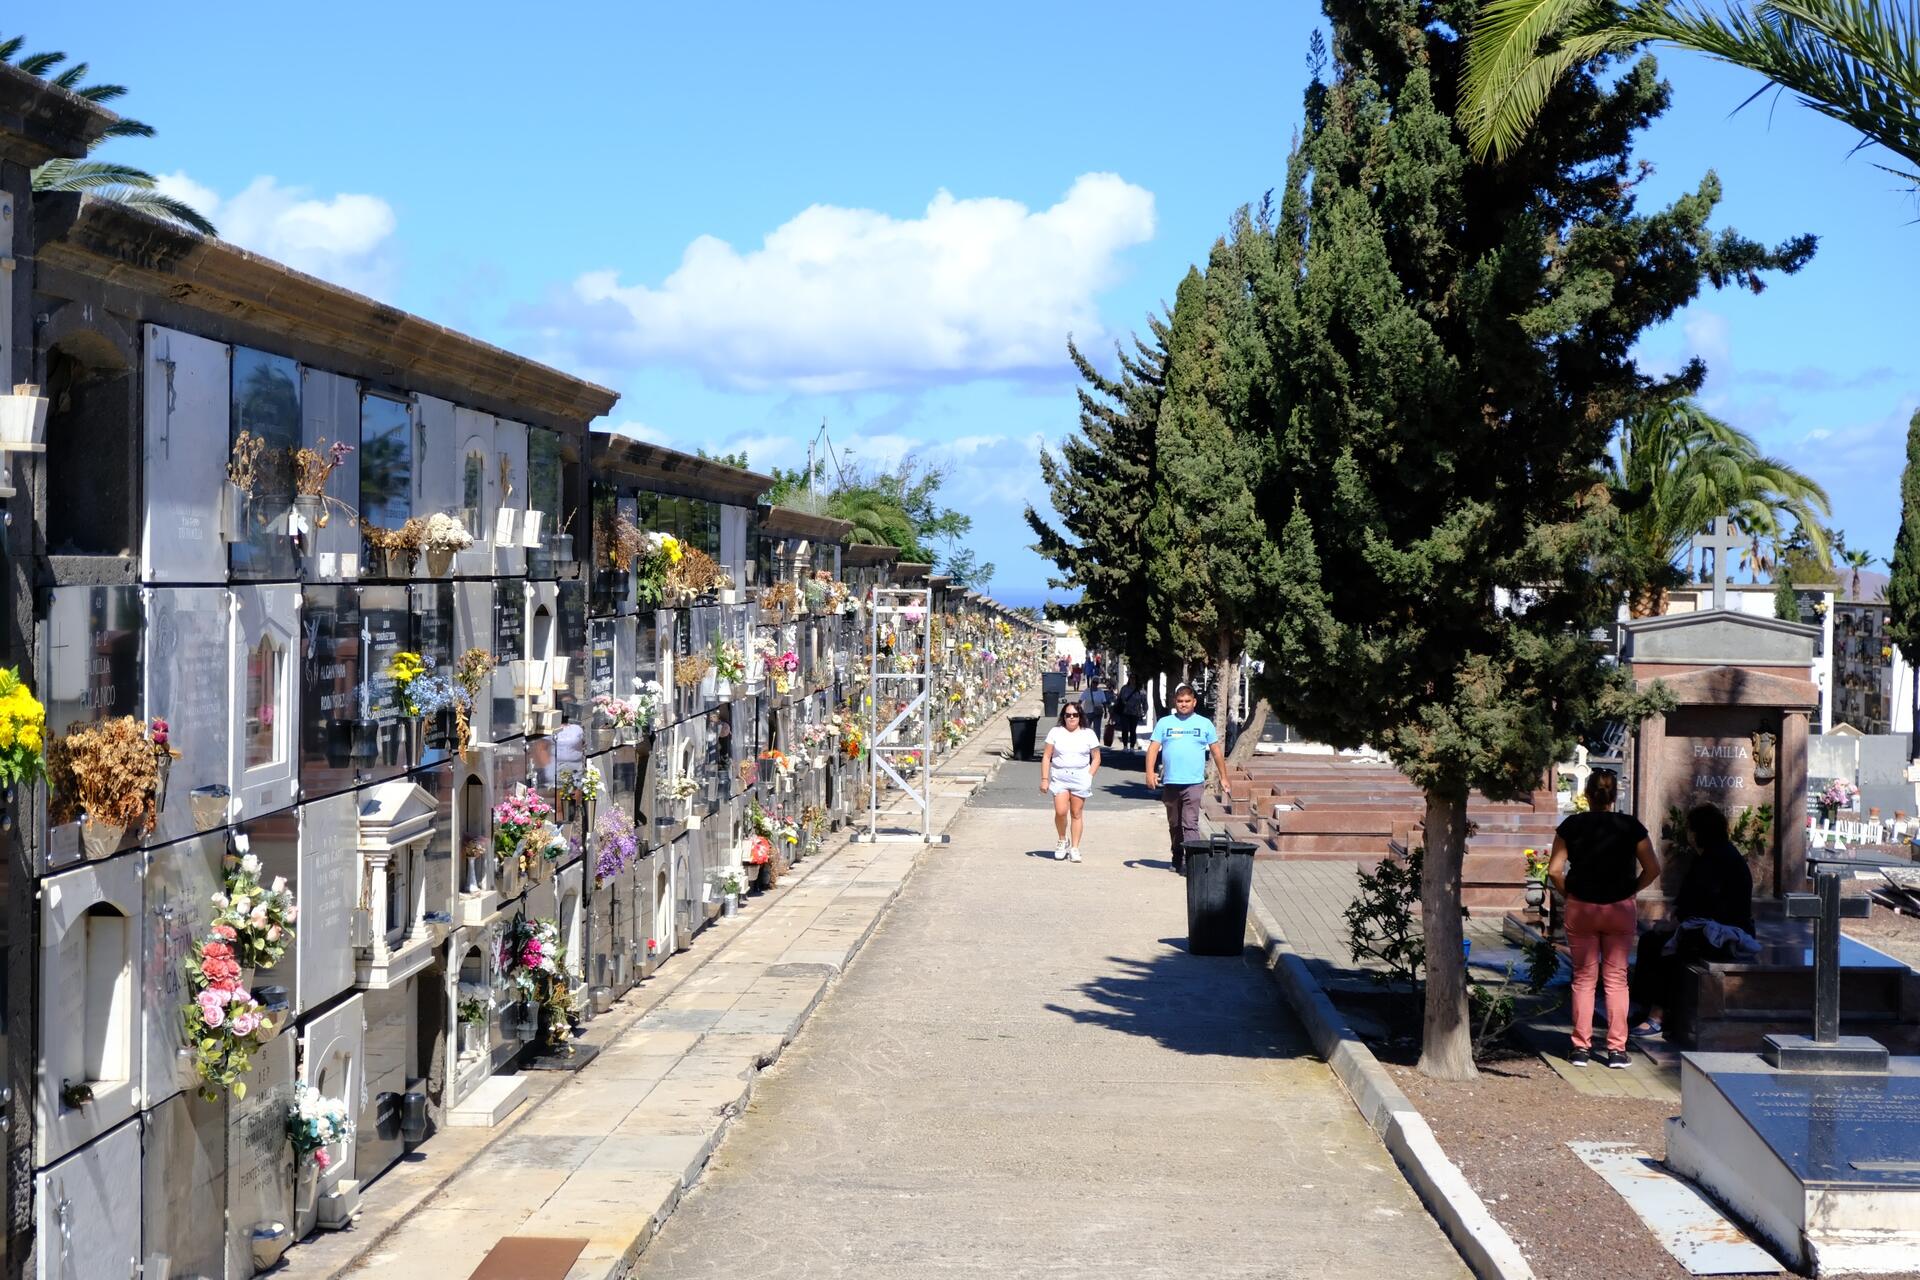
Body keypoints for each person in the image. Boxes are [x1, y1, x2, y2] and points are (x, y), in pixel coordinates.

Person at [1548, 770, 1661, 1069]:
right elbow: (1652, 868)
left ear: (1587, 794)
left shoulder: (1571, 825)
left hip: (1581, 907)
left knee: (1584, 979)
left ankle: (1580, 1049)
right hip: (1619, 908)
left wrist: (1568, 894)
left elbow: (1554, 871)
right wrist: (1631, 890)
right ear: (1614, 796)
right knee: (1617, 980)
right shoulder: (1631, 827)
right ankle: (1617, 1050)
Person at [1629, 804, 1758, 1038]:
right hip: (1706, 924)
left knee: (1669, 947)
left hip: (1725, 931)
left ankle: (1658, 1014)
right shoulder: (1710, 855)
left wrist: (1676, 923)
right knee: (1650, 940)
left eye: (1691, 829)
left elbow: (1708, 903)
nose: (1688, 834)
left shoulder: (1718, 858)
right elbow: (1689, 897)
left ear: (1699, 831)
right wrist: (1674, 917)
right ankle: (1641, 1006)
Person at [1144, 683, 1228, 874]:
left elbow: (1216, 751)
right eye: (1180, 701)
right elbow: (1153, 748)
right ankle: (1177, 855)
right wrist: (1149, 773)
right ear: (1175, 702)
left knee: (1190, 823)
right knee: (1175, 824)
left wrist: (1224, 777)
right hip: (1171, 782)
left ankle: (1192, 863)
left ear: (1194, 702)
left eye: (1187, 701)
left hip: (1194, 782)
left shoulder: (1204, 724)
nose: (1183, 704)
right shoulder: (1165, 723)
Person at [1039, 702, 1101, 862]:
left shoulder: (1088, 734)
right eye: (1068, 715)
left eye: (1075, 715)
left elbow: (1096, 758)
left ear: (1080, 716)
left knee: (1076, 813)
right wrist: (1045, 779)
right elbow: (1046, 756)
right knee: (1060, 811)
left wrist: (1089, 776)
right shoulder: (1055, 732)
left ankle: (1075, 848)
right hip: (1060, 777)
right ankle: (1062, 840)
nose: (1071, 718)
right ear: (1063, 717)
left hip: (1081, 777)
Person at [1118, 680, 1148, 750]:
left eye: (1134, 678)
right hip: (1124, 712)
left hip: (1135, 713)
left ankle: (1132, 746)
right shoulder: (1124, 688)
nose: (1132, 680)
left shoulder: (1141, 690)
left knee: (1133, 730)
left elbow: (1144, 701)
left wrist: (1145, 710)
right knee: (1124, 729)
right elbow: (1119, 699)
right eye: (1131, 677)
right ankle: (1125, 746)